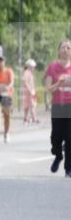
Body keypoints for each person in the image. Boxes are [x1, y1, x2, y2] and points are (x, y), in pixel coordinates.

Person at [44, 39, 71, 176]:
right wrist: (59, 84)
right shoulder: (52, 67)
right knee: (56, 137)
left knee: (70, 137)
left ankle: (69, 168)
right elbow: (48, 89)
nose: (66, 50)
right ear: (58, 51)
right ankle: (58, 155)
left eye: (68, 48)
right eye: (63, 47)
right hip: (58, 106)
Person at [22, 59, 39, 124]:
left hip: (30, 91)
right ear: (29, 66)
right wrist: (30, 90)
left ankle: (25, 118)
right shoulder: (27, 72)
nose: (34, 68)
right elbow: (25, 82)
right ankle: (34, 119)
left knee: (27, 106)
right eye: (33, 66)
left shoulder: (28, 72)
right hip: (29, 92)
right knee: (32, 105)